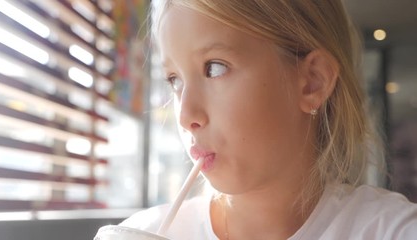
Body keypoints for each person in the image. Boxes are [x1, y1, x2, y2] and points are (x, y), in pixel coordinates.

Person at [120, 0, 417, 239]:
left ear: (312, 81)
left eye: (214, 68)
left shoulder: (391, 230)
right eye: (174, 79)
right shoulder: (145, 232)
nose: (186, 116)